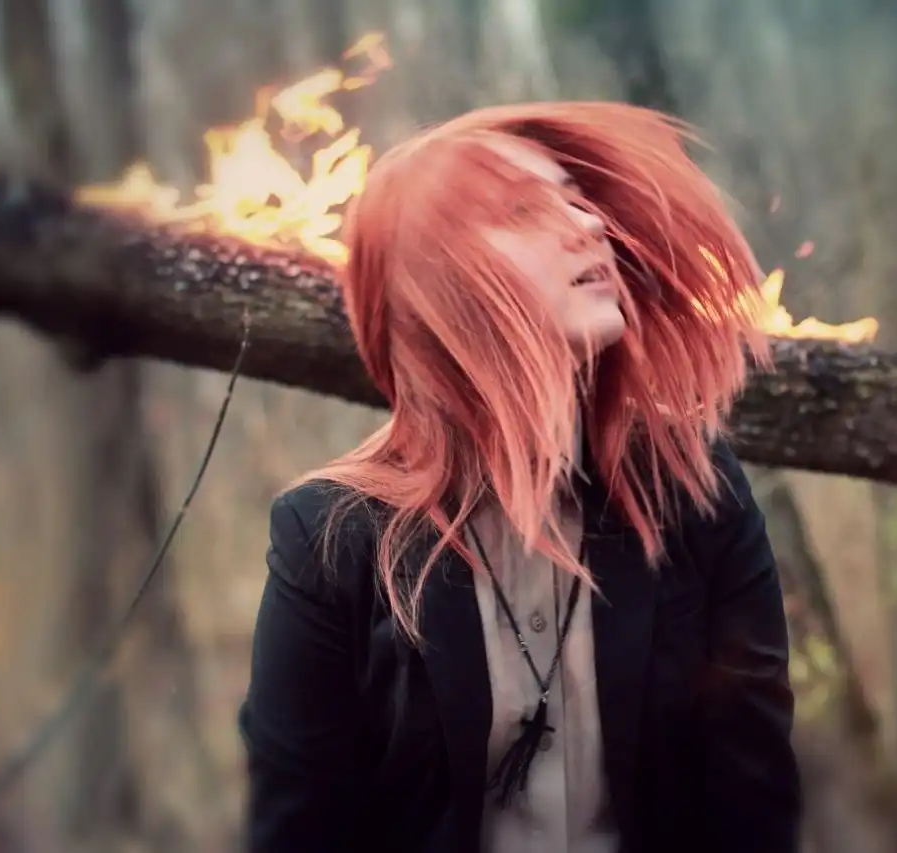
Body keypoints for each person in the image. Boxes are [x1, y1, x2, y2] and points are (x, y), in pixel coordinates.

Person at [238, 100, 802, 853]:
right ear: (440, 284)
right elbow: (298, 833)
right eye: (524, 211)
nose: (589, 224)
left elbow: (752, 807)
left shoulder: (691, 485)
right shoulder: (331, 539)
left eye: (576, 199)